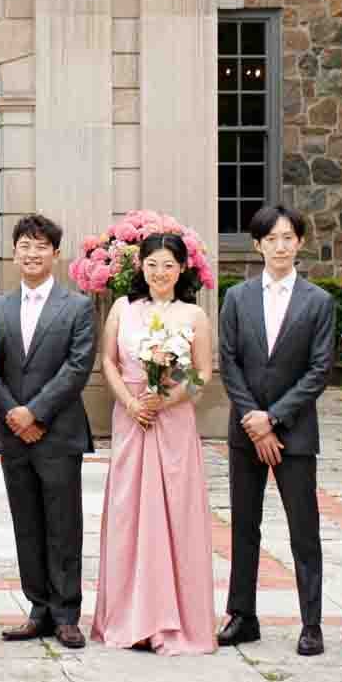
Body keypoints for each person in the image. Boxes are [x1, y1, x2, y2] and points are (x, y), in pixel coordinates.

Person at [90, 230, 218, 656]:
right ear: (139, 268)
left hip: (173, 420)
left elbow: (201, 373)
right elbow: (108, 360)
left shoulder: (193, 316)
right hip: (131, 419)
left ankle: (171, 619)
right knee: (130, 511)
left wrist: (166, 398)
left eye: (168, 265)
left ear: (182, 269)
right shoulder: (123, 310)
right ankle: (129, 617)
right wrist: (130, 402)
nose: (160, 272)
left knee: (174, 512)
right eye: (152, 264)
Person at [216, 203, 335, 656]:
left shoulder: (319, 302)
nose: (280, 246)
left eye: (288, 238)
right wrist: (254, 420)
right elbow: (228, 361)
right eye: (271, 239)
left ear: (299, 243)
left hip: (295, 432)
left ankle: (312, 622)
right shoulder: (237, 297)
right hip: (246, 431)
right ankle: (242, 615)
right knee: (245, 526)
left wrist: (274, 418)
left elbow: (319, 369)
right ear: (258, 245)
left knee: (304, 528)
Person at [0, 213, 95, 648]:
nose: (32, 254)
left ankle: (67, 613)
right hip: (13, 433)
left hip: (59, 430)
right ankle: (38, 609)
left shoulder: (78, 307)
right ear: (15, 253)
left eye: (40, 246)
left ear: (55, 253)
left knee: (64, 524)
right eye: (24, 246)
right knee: (26, 523)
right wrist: (14, 413)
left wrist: (37, 413)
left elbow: (78, 367)